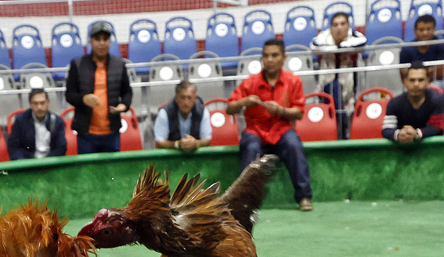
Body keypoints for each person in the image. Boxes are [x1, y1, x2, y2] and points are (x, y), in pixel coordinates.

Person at [226, 38, 313, 211]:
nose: (270, 60)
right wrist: (244, 101)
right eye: (266, 56)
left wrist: (281, 110)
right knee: (251, 147)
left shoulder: (293, 81)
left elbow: (299, 112)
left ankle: (303, 197)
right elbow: (229, 109)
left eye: (274, 55)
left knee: (294, 145)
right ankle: (242, 201)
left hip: (282, 129)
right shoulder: (250, 82)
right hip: (255, 130)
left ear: (283, 58)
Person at [64, 21, 133, 154]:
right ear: (90, 41)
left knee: (112, 173)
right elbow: (69, 94)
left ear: (109, 41)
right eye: (97, 39)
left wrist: (123, 106)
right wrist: (83, 99)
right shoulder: (77, 65)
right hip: (86, 134)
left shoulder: (119, 65)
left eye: (105, 39)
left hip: (112, 132)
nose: (101, 43)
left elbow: (127, 92)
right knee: (88, 173)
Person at [311, 11, 367, 137]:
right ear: (330, 27)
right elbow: (314, 46)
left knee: (344, 105)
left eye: (342, 24)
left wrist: (342, 46)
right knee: (334, 95)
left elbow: (363, 43)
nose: (339, 28)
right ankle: (338, 131)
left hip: (350, 81)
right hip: (327, 82)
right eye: (335, 25)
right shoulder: (323, 36)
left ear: (348, 26)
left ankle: (342, 131)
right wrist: (337, 49)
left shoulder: (355, 36)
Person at [382, 62, 444, 144]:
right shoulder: (394, 103)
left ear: (428, 81)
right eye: (412, 80)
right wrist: (398, 134)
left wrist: (417, 133)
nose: (416, 84)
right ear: (405, 82)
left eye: (421, 80)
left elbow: (437, 127)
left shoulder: (438, 100)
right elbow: (387, 129)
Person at [7, 88, 67, 160]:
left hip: (50, 163)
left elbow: (61, 147)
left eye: (42, 103)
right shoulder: (21, 120)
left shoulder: (57, 121)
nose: (39, 107)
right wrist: (22, 163)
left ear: (48, 103)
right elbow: (13, 147)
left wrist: (48, 162)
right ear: (30, 104)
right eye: (35, 103)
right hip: (27, 164)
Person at [153, 80, 213, 152]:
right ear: (176, 99)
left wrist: (196, 143)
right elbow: (160, 142)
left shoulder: (203, 112)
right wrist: (177, 144)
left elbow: (207, 140)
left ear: (195, 99)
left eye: (189, 98)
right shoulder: (164, 113)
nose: (186, 102)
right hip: (171, 158)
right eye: (182, 97)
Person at [399, 14, 444, 93]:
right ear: (415, 31)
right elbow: (403, 74)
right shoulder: (407, 49)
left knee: (433, 91)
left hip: (436, 82)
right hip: (413, 82)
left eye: (428, 29)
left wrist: (416, 74)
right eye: (421, 30)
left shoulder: (441, 45)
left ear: (434, 30)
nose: (425, 33)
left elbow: (439, 74)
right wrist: (430, 71)